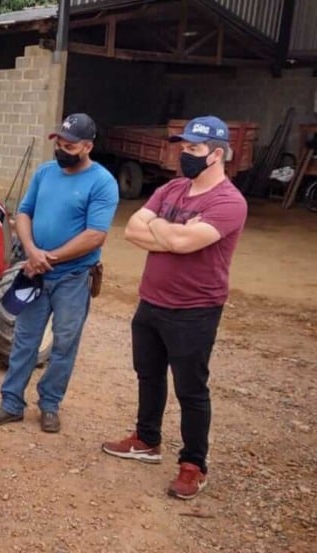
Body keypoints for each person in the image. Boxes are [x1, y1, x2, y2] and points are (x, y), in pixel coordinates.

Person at [102, 116, 247, 500]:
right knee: (148, 374)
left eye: (194, 149)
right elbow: (132, 229)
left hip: (195, 309)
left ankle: (193, 465)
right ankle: (147, 440)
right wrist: (175, 233)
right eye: (183, 147)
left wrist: (163, 229)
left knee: (191, 389)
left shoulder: (229, 202)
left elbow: (184, 244)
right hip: (152, 300)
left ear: (217, 155)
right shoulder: (172, 188)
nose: (185, 155)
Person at [0, 113, 119, 433]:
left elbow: (95, 235)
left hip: (73, 277)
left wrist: (50, 258)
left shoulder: (102, 183)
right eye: (58, 143)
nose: (61, 150)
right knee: (25, 340)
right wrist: (31, 251)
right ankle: (11, 403)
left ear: (87, 147)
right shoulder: (44, 173)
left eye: (69, 146)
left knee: (64, 343)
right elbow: (23, 213)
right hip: (35, 272)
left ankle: (50, 405)